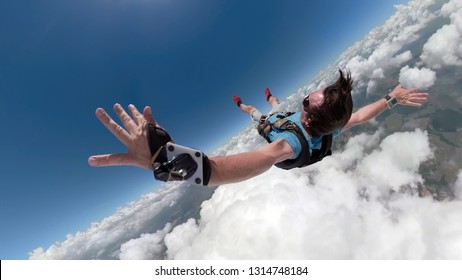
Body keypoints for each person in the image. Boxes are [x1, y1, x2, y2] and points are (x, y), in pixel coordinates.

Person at [88, 70, 428, 186]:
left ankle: (243, 104)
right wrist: (392, 98)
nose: (309, 97)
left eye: (310, 100)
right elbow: (362, 115)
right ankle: (269, 99)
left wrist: (163, 160)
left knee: (257, 114)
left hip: (277, 129)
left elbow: (218, 172)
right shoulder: (334, 126)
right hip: (292, 122)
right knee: (278, 105)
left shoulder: (286, 146)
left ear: (310, 114)